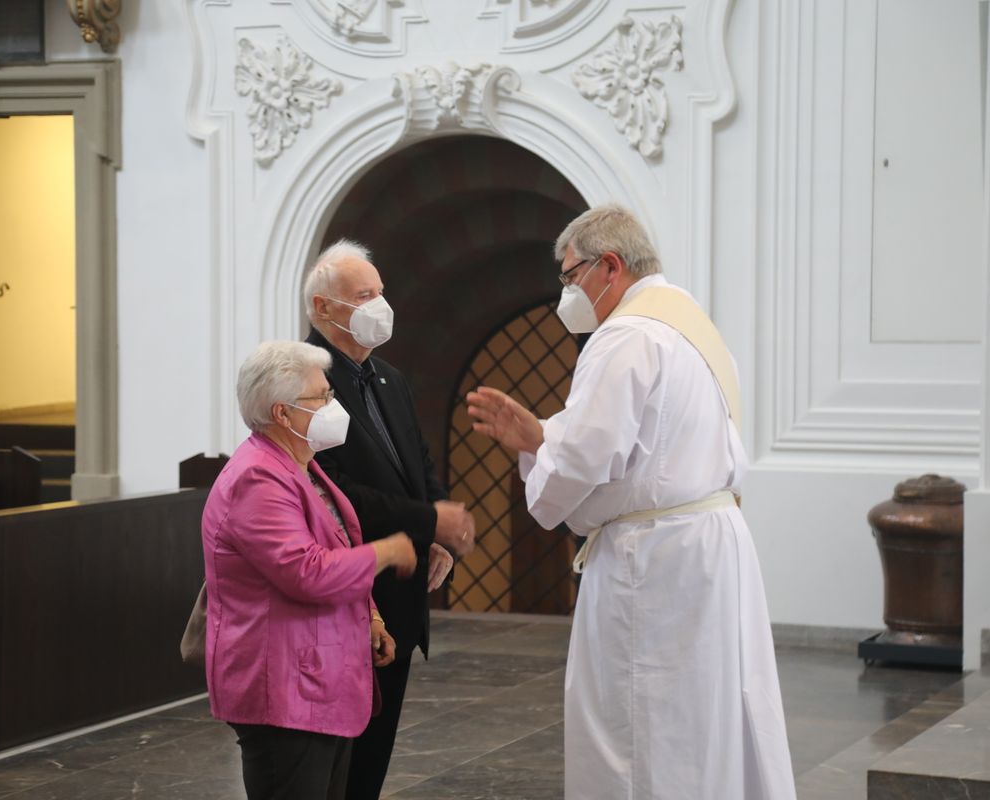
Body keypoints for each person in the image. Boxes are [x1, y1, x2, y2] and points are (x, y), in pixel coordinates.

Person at [466, 205, 797, 799]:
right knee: (708, 716)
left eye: (570, 276)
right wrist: (540, 436)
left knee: (642, 725)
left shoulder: (625, 335)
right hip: (708, 546)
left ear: (609, 266)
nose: (565, 292)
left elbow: (587, 459)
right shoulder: (691, 326)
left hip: (654, 564)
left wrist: (543, 462)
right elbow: (644, 446)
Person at [202, 340, 418, 800]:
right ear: (282, 413)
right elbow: (306, 571)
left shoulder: (302, 465)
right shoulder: (257, 477)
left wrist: (372, 617)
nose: (333, 406)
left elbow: (336, 545)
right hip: (282, 686)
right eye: (322, 397)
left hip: (320, 677)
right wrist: (387, 552)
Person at [303, 239, 476, 800]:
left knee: (373, 759)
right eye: (363, 296)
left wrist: (438, 535)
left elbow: (417, 463)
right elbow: (334, 488)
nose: (380, 305)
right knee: (338, 764)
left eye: (380, 292)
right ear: (324, 309)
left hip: (399, 599)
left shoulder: (388, 378)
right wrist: (429, 520)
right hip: (349, 594)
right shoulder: (303, 382)